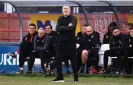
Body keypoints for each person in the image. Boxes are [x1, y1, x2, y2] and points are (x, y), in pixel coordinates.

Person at [51, 5, 78, 82]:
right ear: (62, 11)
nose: (65, 10)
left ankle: (76, 77)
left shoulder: (73, 18)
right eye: (64, 9)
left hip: (71, 42)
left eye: (67, 9)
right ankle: (60, 77)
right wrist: (66, 27)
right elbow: (57, 29)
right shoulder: (60, 18)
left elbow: (71, 28)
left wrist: (62, 28)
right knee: (58, 59)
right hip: (61, 42)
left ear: (70, 11)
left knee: (73, 60)